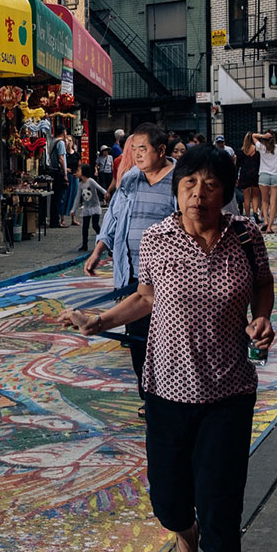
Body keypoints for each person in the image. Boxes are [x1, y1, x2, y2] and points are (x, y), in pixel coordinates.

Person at [62, 145, 274, 552]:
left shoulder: (245, 237)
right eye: (189, 185)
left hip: (229, 390)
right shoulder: (157, 239)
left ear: (227, 192)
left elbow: (263, 283)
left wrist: (262, 317)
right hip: (166, 390)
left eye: (210, 185)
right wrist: (100, 320)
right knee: (169, 500)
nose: (198, 195)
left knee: (221, 495)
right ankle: (185, 535)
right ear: (177, 190)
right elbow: (145, 297)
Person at [83, 123, 177, 408]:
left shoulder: (180, 181)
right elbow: (113, 216)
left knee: (166, 341)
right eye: (133, 148)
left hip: (168, 279)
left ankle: (167, 397)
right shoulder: (131, 179)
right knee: (138, 340)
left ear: (161, 151)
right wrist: (99, 249)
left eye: (142, 149)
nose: (135, 155)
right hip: (132, 276)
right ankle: (148, 397)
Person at [252, 131, 277, 234]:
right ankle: (270, 226)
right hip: (275, 175)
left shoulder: (261, 147)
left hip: (263, 174)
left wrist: (262, 136)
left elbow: (253, 135)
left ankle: (265, 220)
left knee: (264, 200)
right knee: (273, 201)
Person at [72, 163, 106, 252]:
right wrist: (73, 210)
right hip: (87, 208)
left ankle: (104, 241)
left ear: (84, 172)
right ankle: (84, 245)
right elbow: (77, 198)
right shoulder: (80, 185)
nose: (77, 172)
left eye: (78, 170)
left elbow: (100, 188)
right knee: (85, 227)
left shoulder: (90, 181)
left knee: (95, 225)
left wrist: (106, 193)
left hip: (95, 206)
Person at [46, 126, 68, 228]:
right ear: (63, 133)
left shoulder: (52, 142)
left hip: (53, 171)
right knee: (59, 197)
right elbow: (61, 159)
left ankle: (53, 220)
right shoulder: (61, 143)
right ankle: (56, 221)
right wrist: (65, 174)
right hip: (59, 172)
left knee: (54, 197)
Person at [236, 133, 261, 223]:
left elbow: (237, 166)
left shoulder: (241, 151)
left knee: (246, 198)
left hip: (244, 175)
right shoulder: (257, 151)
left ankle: (247, 217)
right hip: (255, 174)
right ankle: (255, 213)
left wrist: (236, 178)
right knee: (255, 196)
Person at [65, 134, 82, 226]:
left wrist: (79, 173)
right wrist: (65, 169)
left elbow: (79, 165)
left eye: (70, 141)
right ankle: (62, 218)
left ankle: (73, 218)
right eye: (66, 141)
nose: (68, 143)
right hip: (66, 176)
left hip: (74, 177)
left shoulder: (76, 154)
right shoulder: (63, 154)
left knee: (74, 197)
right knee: (65, 196)